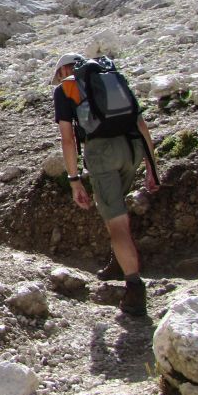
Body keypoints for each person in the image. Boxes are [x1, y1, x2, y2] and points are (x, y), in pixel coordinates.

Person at [52, 53, 159, 316]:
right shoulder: (112, 78)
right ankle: (117, 262)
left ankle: (134, 288)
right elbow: (141, 124)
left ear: (65, 69)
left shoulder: (66, 88)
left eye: (57, 73)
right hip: (132, 148)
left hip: (102, 153)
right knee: (117, 207)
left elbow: (68, 140)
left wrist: (74, 179)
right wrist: (152, 168)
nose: (58, 78)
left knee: (116, 221)